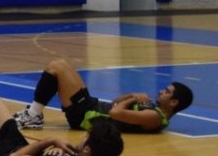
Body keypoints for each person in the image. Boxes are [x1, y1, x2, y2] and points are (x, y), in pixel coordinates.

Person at [14, 57, 194, 133]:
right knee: (59, 64)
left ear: (174, 102)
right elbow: (116, 103)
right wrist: (132, 94)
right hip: (92, 106)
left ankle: (33, 116)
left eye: (167, 92)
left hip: (85, 115)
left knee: (56, 67)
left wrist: (133, 99)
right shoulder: (154, 109)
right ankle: (34, 114)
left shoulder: (155, 117)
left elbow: (115, 114)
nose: (162, 91)